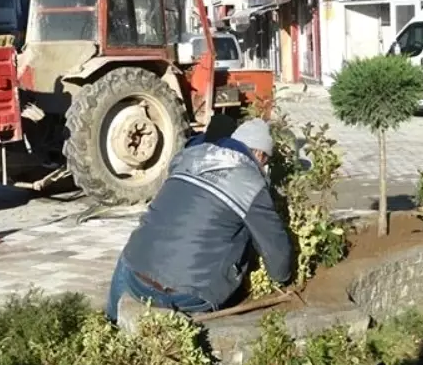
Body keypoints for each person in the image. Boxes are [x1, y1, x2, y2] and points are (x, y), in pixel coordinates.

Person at [106, 118, 294, 323]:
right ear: (258, 153)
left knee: (131, 254)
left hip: (137, 279)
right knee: (243, 230)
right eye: (265, 160)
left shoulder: (187, 158)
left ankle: (111, 322)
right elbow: (277, 255)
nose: (263, 166)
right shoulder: (251, 183)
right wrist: (283, 277)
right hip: (191, 294)